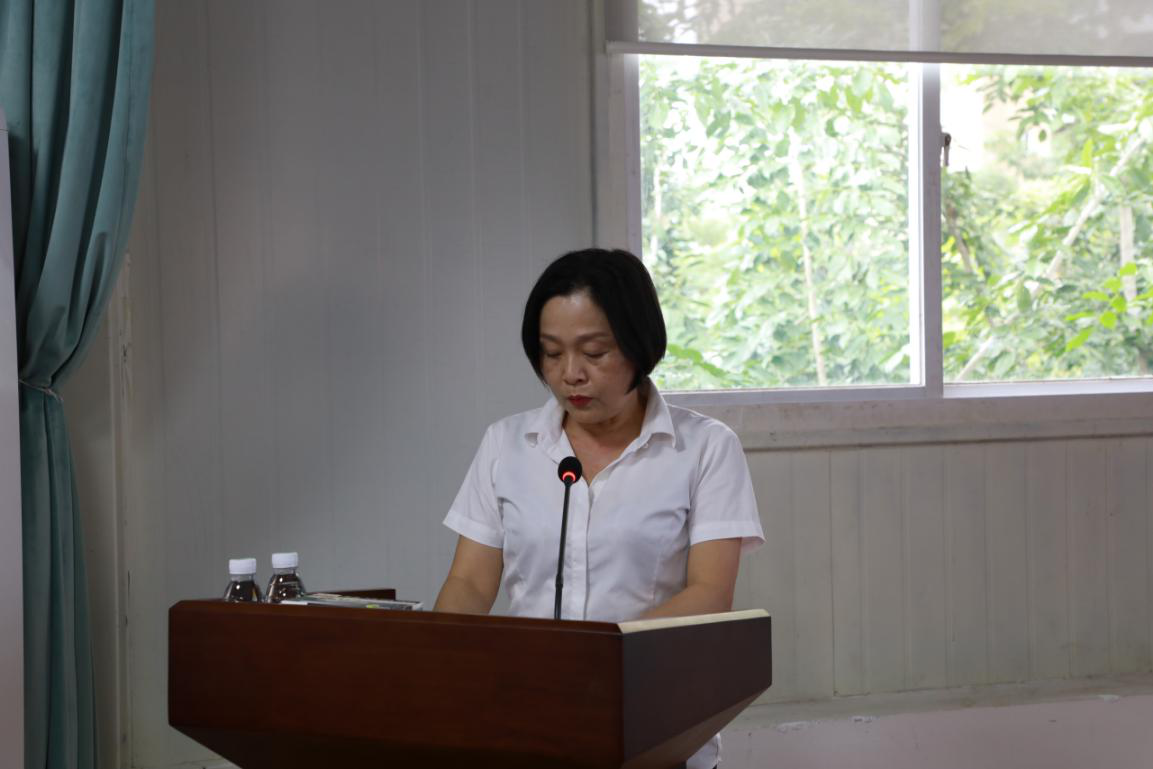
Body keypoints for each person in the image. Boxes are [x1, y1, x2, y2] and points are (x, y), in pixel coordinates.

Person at [434, 248, 764, 769]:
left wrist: (596, 665)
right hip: (528, 723)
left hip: (657, 726)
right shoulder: (506, 445)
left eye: (594, 352)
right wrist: (435, 669)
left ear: (639, 345)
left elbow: (709, 593)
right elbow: (470, 583)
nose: (571, 374)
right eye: (551, 353)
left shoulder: (705, 448)